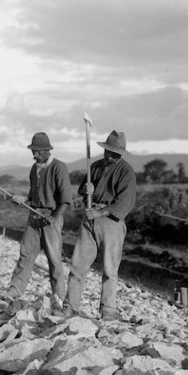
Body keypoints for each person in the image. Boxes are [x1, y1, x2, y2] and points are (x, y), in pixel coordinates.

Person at [55, 130, 136, 320]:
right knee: (78, 265)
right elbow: (82, 189)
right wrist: (86, 190)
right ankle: (70, 306)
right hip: (89, 219)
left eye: (114, 153)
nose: (110, 156)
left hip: (111, 222)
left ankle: (108, 311)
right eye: (108, 151)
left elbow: (125, 202)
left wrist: (100, 212)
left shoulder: (126, 172)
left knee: (109, 268)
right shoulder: (96, 166)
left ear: (121, 153)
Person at [6, 132, 72, 307]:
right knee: (25, 255)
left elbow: (66, 199)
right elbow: (32, 195)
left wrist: (54, 217)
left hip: (51, 218)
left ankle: (59, 295)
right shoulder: (34, 169)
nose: (34, 155)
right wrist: (23, 199)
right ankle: (15, 290)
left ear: (47, 151)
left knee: (54, 258)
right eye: (33, 151)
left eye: (37, 151)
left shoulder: (59, 167)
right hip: (33, 216)